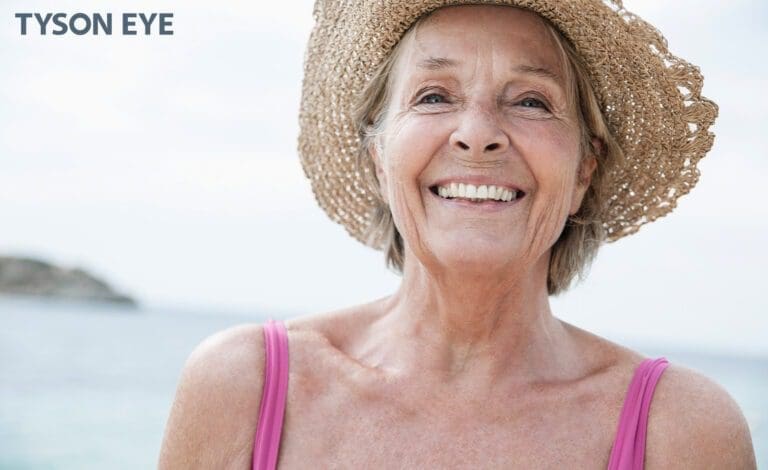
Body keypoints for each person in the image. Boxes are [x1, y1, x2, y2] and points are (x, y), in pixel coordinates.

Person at [158, 1, 757, 468]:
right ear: (377, 159)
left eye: (530, 101)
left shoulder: (681, 429)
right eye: (434, 96)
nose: (477, 134)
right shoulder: (244, 384)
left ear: (583, 170)